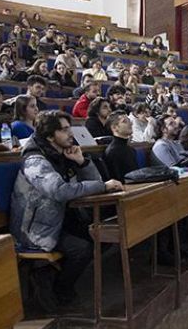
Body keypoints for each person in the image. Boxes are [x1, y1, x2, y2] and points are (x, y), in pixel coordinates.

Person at [9, 111, 123, 302]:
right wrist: (103, 186)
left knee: (104, 236)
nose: (71, 134)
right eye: (64, 130)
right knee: (82, 248)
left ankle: (51, 276)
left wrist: (82, 162)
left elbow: (95, 182)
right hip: (35, 228)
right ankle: (59, 289)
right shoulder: (35, 160)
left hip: (58, 220)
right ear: (49, 135)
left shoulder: (61, 154)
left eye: (69, 128)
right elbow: (59, 191)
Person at [103, 112, 138, 183]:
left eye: (129, 121)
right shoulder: (113, 151)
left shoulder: (131, 149)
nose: (130, 124)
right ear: (114, 128)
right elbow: (118, 180)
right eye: (124, 121)